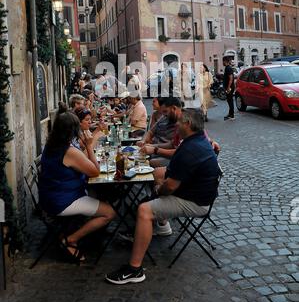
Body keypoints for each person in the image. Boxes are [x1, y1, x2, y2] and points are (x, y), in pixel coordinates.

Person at [105, 108, 220, 284]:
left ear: (188, 124)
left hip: (195, 202)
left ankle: (134, 269)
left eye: (180, 122)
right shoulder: (196, 141)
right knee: (157, 173)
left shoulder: (190, 148)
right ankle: (157, 225)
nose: (176, 126)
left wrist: (158, 190)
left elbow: (171, 186)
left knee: (144, 209)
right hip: (194, 193)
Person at [38, 104, 116, 263]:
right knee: (109, 212)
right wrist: (88, 145)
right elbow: (95, 171)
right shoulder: (69, 150)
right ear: (73, 131)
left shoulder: (52, 145)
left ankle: (88, 234)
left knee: (101, 195)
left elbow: (82, 163)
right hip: (62, 201)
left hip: (51, 196)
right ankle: (71, 239)